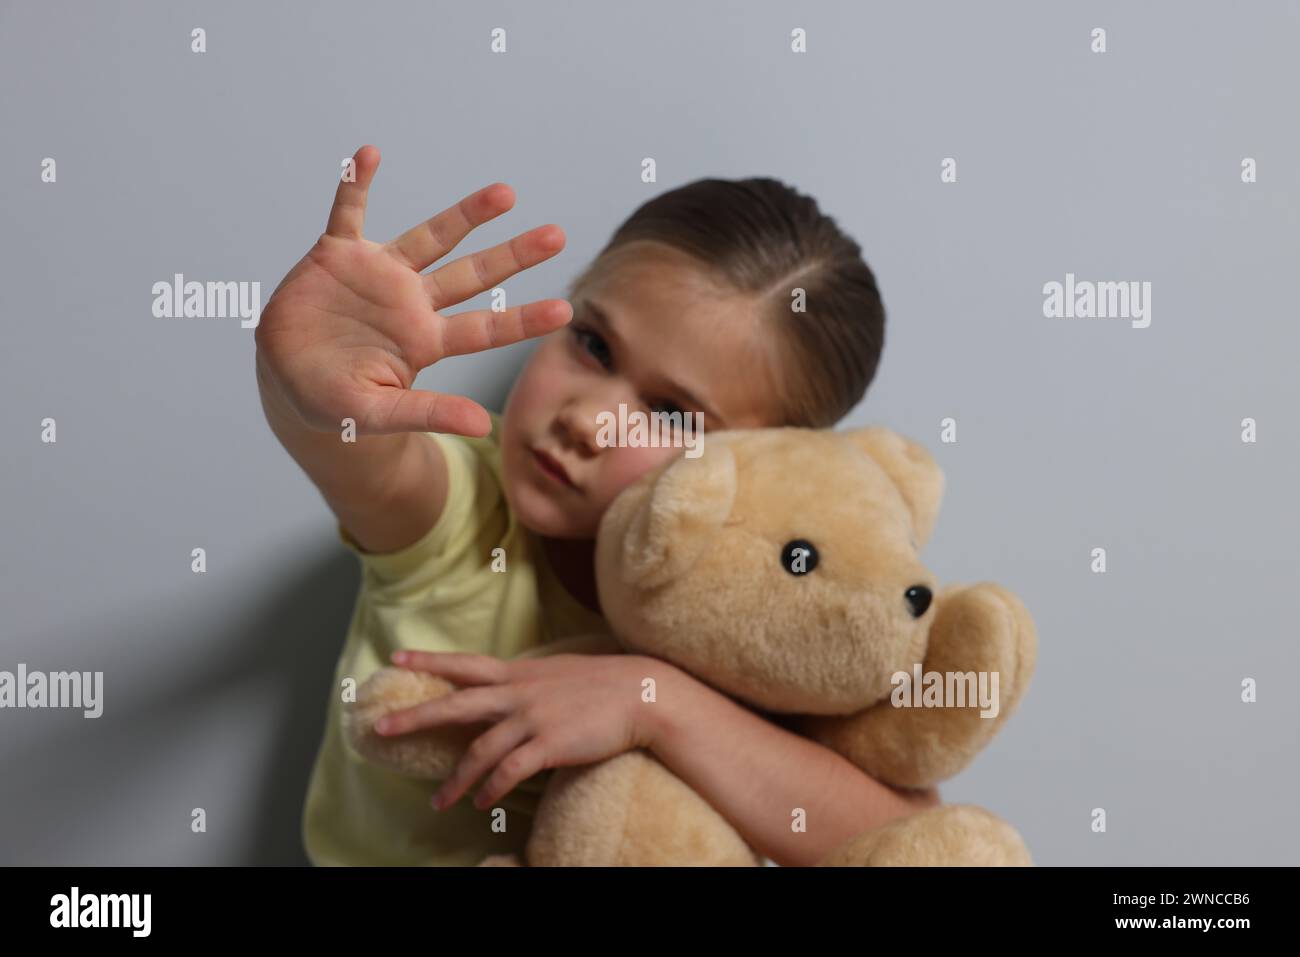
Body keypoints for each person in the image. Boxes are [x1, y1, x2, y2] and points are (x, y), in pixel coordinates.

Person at [255, 145, 938, 866]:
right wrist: (301, 385)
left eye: (671, 413)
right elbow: (362, 456)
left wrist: (653, 704)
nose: (589, 419)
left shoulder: (772, 600)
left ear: (764, 459)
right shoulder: (465, 518)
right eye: (593, 343)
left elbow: (913, 841)